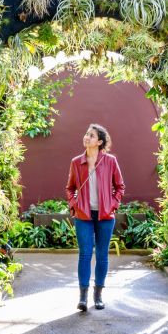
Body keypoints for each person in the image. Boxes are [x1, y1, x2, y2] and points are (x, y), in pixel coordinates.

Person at [65, 123, 125, 311]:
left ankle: (98, 295)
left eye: (91, 135)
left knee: (102, 255)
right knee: (84, 254)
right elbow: (70, 188)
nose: (86, 137)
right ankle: (83, 297)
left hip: (105, 216)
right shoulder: (76, 162)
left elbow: (120, 186)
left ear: (99, 142)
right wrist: (74, 205)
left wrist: (112, 205)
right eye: (86, 134)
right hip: (83, 215)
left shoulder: (110, 161)